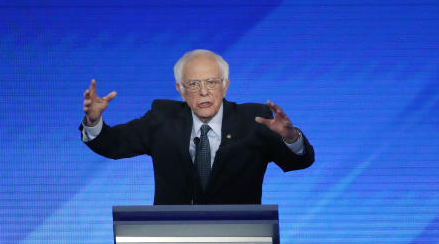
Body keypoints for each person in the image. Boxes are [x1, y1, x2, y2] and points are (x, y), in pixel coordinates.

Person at [80, 49, 314, 204]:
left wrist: (291, 137)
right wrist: (93, 121)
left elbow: (298, 162)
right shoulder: (163, 118)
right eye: (193, 84)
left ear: (225, 86)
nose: (204, 91)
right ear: (180, 90)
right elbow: (114, 145)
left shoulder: (253, 120)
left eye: (212, 82)